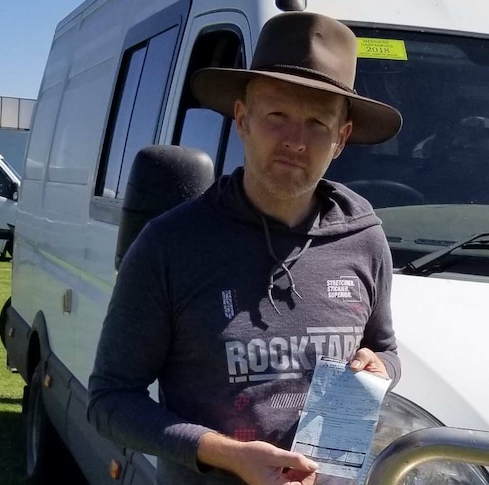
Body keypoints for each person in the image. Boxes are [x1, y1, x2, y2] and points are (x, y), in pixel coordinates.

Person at [87, 11, 403, 485]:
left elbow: (384, 350)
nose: (295, 140)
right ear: (242, 119)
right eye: (277, 115)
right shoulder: (172, 245)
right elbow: (110, 400)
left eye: (318, 123)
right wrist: (228, 454)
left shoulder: (363, 239)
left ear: (341, 139)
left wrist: (381, 367)